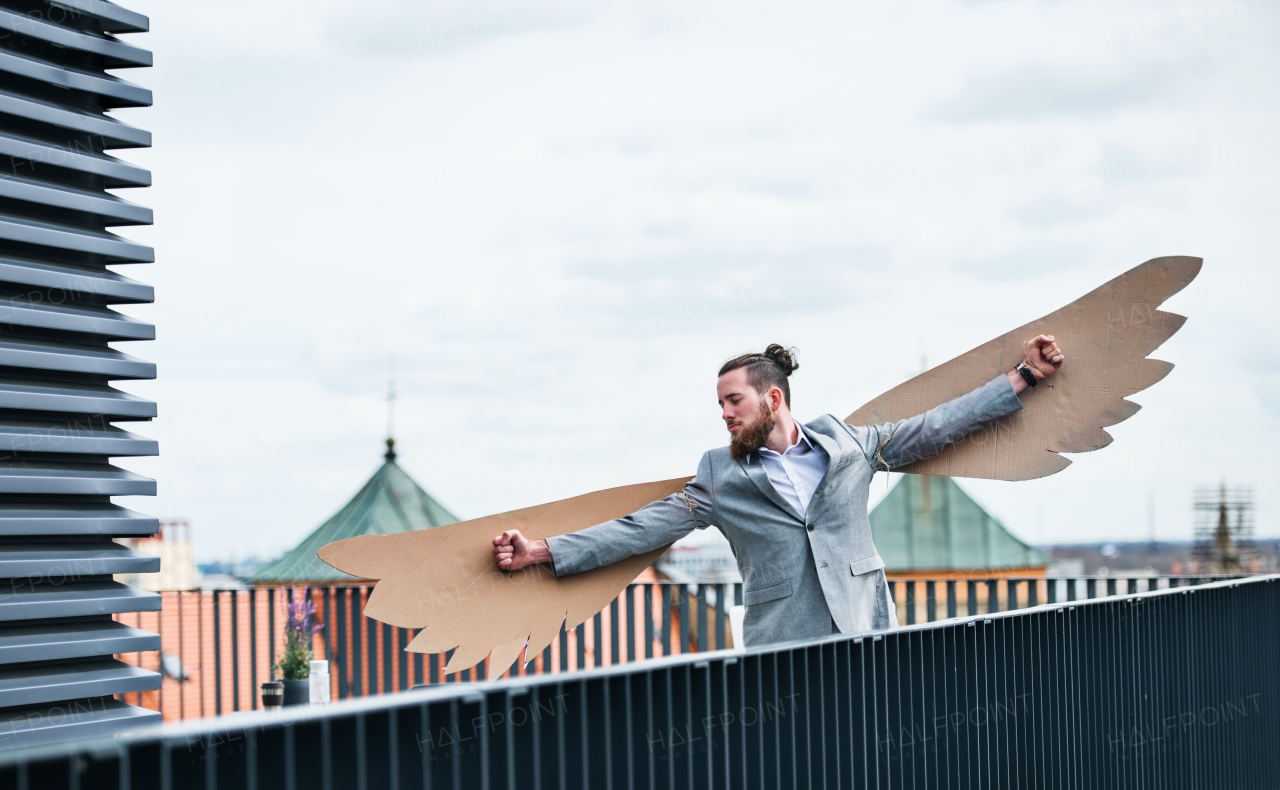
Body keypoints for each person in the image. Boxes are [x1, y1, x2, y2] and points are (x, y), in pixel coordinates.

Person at [493, 336, 1064, 647]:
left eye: (732, 401)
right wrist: (541, 551)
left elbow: (937, 427)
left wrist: (1024, 377)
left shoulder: (850, 445)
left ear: (772, 399)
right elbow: (642, 527)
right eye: (718, 404)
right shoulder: (720, 476)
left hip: (866, 633)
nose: (723, 414)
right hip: (783, 651)